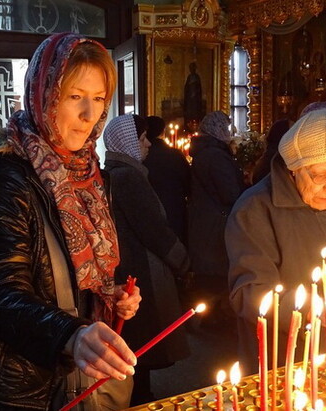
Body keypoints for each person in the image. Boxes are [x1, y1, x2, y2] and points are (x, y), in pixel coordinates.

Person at [0, 33, 141, 411]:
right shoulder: (3, 175)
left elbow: (75, 274)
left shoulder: (89, 173)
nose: (90, 114)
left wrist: (110, 297)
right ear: (44, 94)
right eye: (75, 96)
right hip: (17, 386)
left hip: (75, 376)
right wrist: (71, 333)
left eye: (99, 99)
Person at [226, 109, 326, 372]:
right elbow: (247, 292)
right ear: (294, 168)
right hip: (282, 353)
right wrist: (312, 308)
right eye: (321, 176)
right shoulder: (254, 209)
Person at [103, 114, 191, 405]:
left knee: (137, 341)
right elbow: (153, 228)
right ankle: (141, 397)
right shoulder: (128, 176)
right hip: (142, 268)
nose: (148, 145)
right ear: (127, 142)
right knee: (142, 342)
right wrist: (182, 261)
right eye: (141, 139)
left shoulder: (119, 171)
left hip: (133, 265)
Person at [188, 111, 244, 331]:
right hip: (216, 224)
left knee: (210, 274)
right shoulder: (215, 156)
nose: (229, 132)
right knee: (215, 274)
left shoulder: (206, 152)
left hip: (206, 222)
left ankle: (209, 316)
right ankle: (213, 318)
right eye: (226, 127)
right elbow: (230, 193)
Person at [142, 115, 190, 244]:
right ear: (163, 132)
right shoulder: (174, 155)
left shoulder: (140, 156)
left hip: (148, 214)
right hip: (174, 211)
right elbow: (188, 185)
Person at [183, 62, 204, 130]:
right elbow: (186, 87)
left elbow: (199, 88)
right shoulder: (189, 77)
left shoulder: (197, 77)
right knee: (189, 112)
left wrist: (195, 92)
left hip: (195, 99)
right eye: (191, 68)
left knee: (195, 112)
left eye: (193, 68)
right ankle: (188, 126)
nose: (192, 69)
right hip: (189, 99)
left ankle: (196, 126)